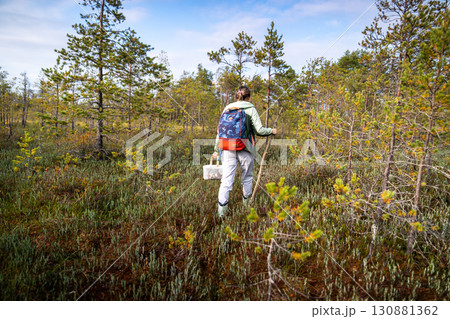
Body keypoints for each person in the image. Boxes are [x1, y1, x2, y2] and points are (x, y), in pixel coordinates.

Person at [212, 85, 277, 217]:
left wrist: (216, 149)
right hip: (245, 148)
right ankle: (246, 208)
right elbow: (259, 130)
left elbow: (220, 132)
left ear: (236, 96)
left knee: (226, 180)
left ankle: (221, 213)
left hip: (227, 148)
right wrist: (271, 131)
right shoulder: (250, 108)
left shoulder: (227, 108)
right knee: (247, 178)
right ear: (248, 97)